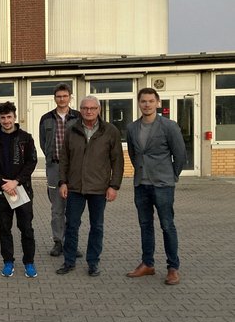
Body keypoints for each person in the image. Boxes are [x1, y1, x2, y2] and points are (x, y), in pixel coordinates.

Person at [56, 95, 124, 277]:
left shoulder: (110, 131)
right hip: (75, 187)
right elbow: (64, 159)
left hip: (99, 188)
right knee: (71, 226)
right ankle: (69, 261)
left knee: (97, 227)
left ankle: (93, 263)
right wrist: (62, 182)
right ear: (80, 109)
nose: (89, 111)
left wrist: (114, 186)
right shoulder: (71, 129)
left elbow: (117, 161)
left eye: (93, 108)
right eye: (85, 108)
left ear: (99, 109)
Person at [125, 88, 186, 285]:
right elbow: (134, 154)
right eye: (143, 101)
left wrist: (172, 176)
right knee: (145, 225)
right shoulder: (132, 128)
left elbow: (180, 155)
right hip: (141, 184)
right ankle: (147, 264)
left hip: (163, 185)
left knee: (167, 225)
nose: (147, 104)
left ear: (158, 103)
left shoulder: (169, 126)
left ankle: (173, 268)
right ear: (139, 103)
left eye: (151, 101)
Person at [0, 101, 38, 278]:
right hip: (1, 192)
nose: (6, 121)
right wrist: (3, 183)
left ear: (14, 117)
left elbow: (31, 162)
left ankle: (29, 262)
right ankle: (8, 262)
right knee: (4, 229)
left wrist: (16, 182)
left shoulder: (26, 138)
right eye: (3, 118)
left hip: (22, 189)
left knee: (26, 228)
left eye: (9, 117)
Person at [39, 83, 82, 257]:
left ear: (70, 97)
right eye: (59, 96)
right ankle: (58, 242)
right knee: (57, 208)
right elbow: (43, 143)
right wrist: (52, 160)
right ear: (54, 98)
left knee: (73, 208)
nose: (62, 99)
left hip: (75, 168)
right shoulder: (46, 119)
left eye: (65, 96)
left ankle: (71, 243)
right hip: (54, 168)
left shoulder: (79, 117)